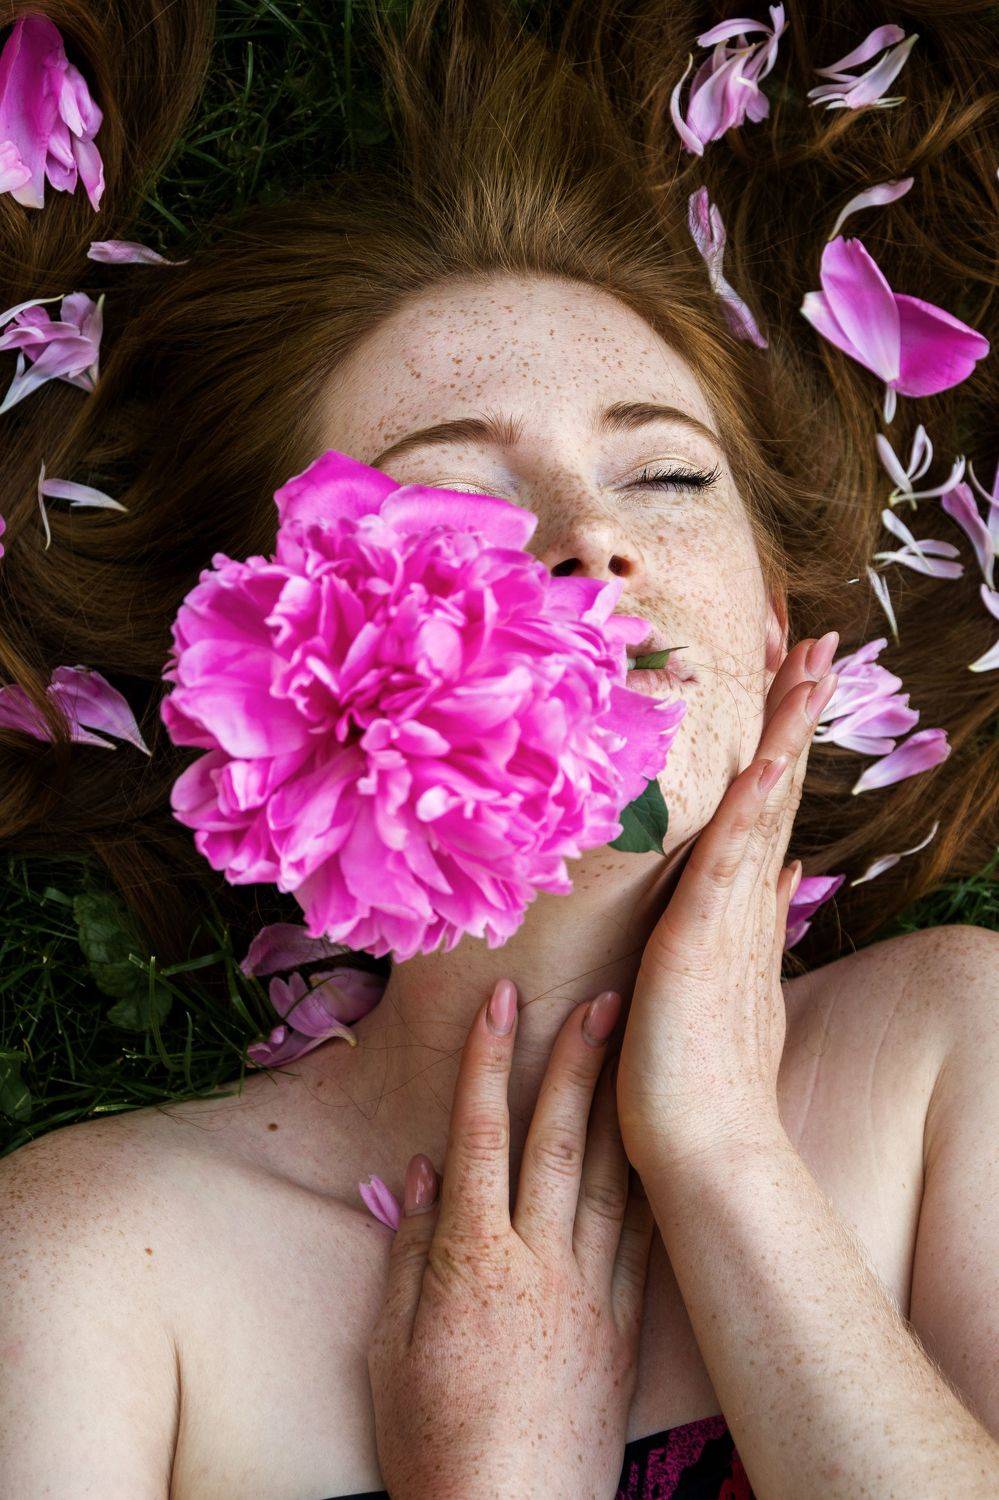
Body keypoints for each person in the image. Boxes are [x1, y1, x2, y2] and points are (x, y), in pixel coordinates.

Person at [1, 1, 996, 1496]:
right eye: (459, 499)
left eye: (669, 477)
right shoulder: (92, 1269)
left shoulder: (953, 1055)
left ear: (774, 617)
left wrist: (725, 1155)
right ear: (272, 650)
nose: (591, 541)